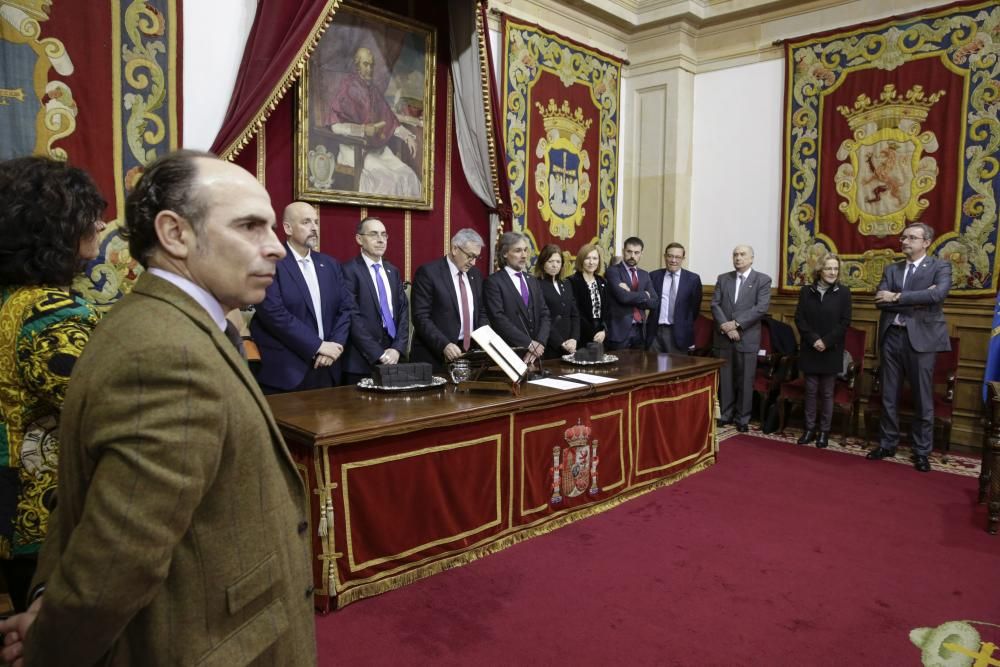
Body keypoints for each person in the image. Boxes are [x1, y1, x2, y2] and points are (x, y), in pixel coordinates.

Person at [0, 150, 316, 665]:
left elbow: (83, 499)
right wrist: (47, 645)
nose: (276, 247)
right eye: (250, 226)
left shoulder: (168, 322)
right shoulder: (167, 355)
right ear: (175, 234)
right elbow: (116, 558)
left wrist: (44, 601)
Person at [0, 157, 106, 612]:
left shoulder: (12, 298)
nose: (101, 226)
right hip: (43, 512)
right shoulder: (53, 313)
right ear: (57, 228)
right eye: (88, 217)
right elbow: (104, 407)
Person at [869, 222, 952, 473]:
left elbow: (938, 295)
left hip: (922, 340)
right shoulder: (892, 269)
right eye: (903, 237)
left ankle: (921, 450)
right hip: (892, 335)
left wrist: (897, 296)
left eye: (911, 238)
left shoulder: (940, 267)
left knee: (922, 397)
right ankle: (887, 443)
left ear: (926, 242)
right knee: (889, 394)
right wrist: (917, 298)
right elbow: (879, 300)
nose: (904, 241)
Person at [250, 201, 356, 393]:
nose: (314, 228)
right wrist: (318, 346)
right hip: (288, 371)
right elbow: (273, 312)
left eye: (316, 222)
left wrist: (335, 346)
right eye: (306, 222)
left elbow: (346, 308)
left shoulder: (330, 264)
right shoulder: (271, 262)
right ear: (288, 228)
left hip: (328, 368)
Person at [322, 46, 421, 197]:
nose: (369, 69)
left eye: (372, 65)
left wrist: (407, 136)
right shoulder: (347, 87)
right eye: (365, 64)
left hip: (377, 150)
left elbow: (389, 120)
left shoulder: (373, 90)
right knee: (388, 180)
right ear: (357, 65)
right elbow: (335, 126)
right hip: (354, 150)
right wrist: (362, 130)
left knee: (409, 176)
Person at [711, 244, 772, 432]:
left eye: (743, 254)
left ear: (752, 258)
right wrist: (727, 327)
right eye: (735, 254)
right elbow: (715, 304)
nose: (738, 258)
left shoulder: (762, 280)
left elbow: (761, 308)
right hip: (724, 337)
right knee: (726, 379)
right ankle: (726, 415)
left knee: (746, 379)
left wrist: (736, 324)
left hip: (747, 337)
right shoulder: (723, 278)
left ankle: (742, 418)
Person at [793, 253, 852, 448]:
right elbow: (800, 319)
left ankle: (824, 432)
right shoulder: (806, 292)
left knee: (827, 393)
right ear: (819, 270)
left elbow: (845, 323)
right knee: (810, 391)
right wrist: (813, 339)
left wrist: (825, 341)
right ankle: (809, 429)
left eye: (835, 269)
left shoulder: (844, 293)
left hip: (831, 349)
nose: (832, 272)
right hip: (810, 348)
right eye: (828, 268)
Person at [341, 216, 409, 384]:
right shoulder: (349, 271)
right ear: (359, 239)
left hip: (393, 358)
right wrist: (378, 353)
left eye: (384, 235)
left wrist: (397, 348)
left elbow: (403, 312)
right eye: (373, 234)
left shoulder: (393, 271)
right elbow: (352, 317)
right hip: (361, 361)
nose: (380, 240)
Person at [410, 228, 489, 370]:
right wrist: (444, 345)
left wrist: (484, 338)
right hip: (435, 355)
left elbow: (481, 311)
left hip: (468, 354)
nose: (473, 262)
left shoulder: (475, 275)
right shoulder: (428, 273)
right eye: (470, 256)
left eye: (477, 257)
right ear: (454, 249)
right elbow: (420, 317)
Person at [484, 231, 550, 366]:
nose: (524, 255)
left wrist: (539, 343)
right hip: (510, 355)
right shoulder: (494, 282)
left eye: (525, 250)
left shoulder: (532, 281)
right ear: (504, 254)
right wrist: (528, 344)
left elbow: (545, 314)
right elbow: (498, 319)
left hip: (537, 356)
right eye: (518, 251)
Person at [647, 242, 703, 354]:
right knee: (652, 368)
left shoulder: (693, 279)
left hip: (679, 334)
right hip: (655, 332)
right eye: (670, 256)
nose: (673, 260)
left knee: (677, 368)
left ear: (683, 258)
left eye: (678, 257)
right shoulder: (653, 276)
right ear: (665, 257)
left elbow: (694, 309)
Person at [605, 236, 656, 350]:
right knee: (619, 367)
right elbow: (622, 297)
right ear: (623, 251)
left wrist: (630, 295)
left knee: (639, 367)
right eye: (629, 251)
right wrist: (644, 295)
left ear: (641, 254)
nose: (632, 256)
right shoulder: (613, 271)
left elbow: (654, 302)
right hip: (619, 331)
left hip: (640, 331)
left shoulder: (644, 274)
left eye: (636, 252)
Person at [534, 244, 580, 359]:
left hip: (570, 345)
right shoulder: (536, 285)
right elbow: (542, 318)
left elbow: (574, 314)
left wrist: (574, 339)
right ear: (542, 263)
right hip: (550, 346)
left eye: (558, 262)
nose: (555, 265)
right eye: (550, 261)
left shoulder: (566, 283)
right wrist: (560, 343)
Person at [568, 243, 609, 347]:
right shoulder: (572, 281)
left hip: (600, 337)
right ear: (581, 260)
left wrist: (604, 331)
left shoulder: (602, 281)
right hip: (580, 336)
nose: (591, 262)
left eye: (595, 258)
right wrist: (592, 333)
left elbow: (608, 310)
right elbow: (575, 312)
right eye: (587, 258)